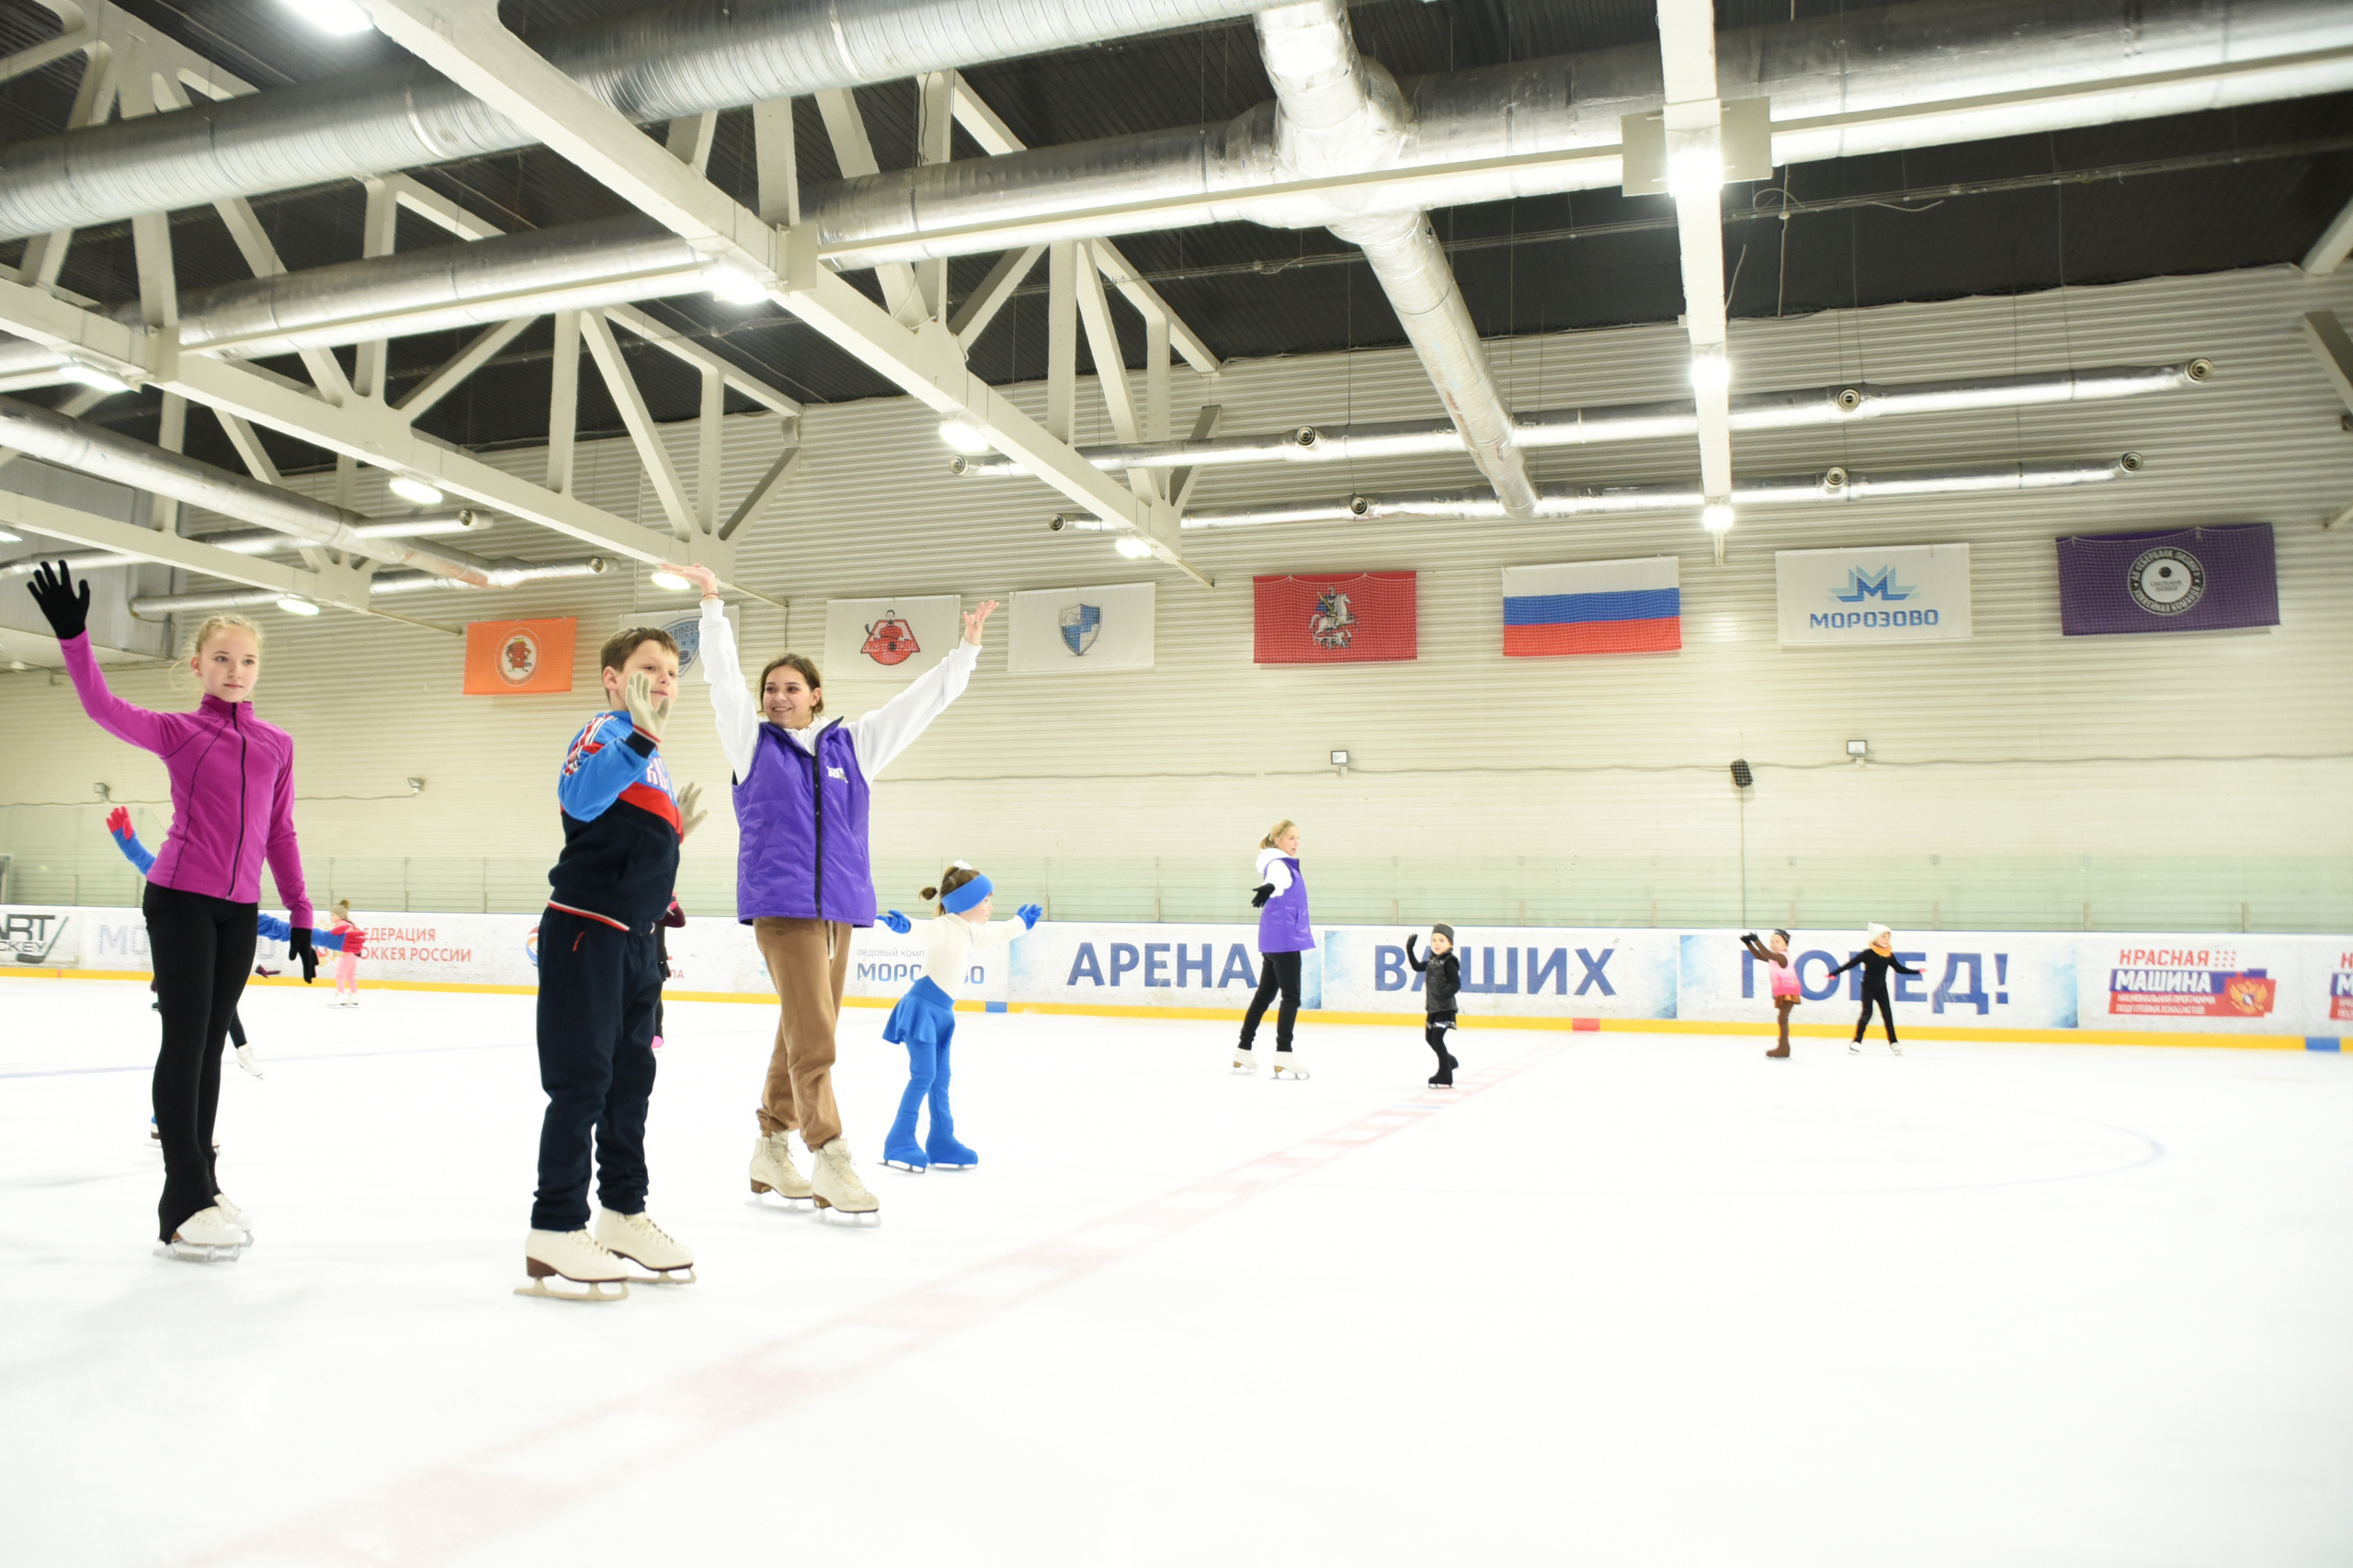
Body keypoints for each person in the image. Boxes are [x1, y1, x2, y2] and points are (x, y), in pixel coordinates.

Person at [667, 559, 998, 1226]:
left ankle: (770, 1144)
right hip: (782, 908)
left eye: (792, 688)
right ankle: (831, 1153)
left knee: (802, 1032)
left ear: (817, 694)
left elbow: (917, 706)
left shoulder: (856, 747)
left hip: (840, 910)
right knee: (816, 1038)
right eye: (772, 689)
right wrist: (712, 605)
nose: (778, 697)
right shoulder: (750, 744)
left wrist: (965, 652)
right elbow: (723, 686)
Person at [28, 562, 317, 1262]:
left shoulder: (276, 745)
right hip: (181, 900)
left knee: (212, 1047)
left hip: (239, 911)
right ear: (198, 666)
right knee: (185, 1044)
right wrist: (75, 639)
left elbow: (280, 831)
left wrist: (301, 913)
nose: (236, 670)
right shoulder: (181, 732)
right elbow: (102, 708)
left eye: (247, 660)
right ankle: (181, 1199)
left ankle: (204, 1190)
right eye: (222, 658)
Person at [517, 626, 699, 1301]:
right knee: (583, 1085)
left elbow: (621, 833)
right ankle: (556, 1225)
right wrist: (640, 738)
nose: (664, 681)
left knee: (630, 1086)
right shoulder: (606, 731)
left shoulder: (652, 751)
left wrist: (667, 854)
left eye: (674, 672)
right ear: (613, 678)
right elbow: (581, 799)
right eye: (649, 669)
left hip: (637, 938)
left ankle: (622, 1212)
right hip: (586, 934)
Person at [106, 808, 357, 1093]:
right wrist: (130, 846)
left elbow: (277, 928)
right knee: (188, 1042)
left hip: (211, 974)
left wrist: (329, 939)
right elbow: (156, 869)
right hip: (187, 971)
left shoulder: (236, 899)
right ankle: (169, 1118)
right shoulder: (185, 881)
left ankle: (189, 1108)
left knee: (205, 1040)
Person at [875, 864, 1040, 1175]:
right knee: (923, 1076)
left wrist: (1021, 923)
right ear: (966, 902)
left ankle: (941, 1140)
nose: (991, 907)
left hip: (941, 1014)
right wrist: (904, 925)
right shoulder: (947, 926)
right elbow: (922, 929)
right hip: (922, 1009)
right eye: (986, 900)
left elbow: (998, 933)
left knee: (941, 1079)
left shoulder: (968, 931)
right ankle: (899, 1140)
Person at [1235, 819, 1314, 1079]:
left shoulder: (1275, 862)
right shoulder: (1279, 865)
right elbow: (1277, 879)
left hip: (1273, 939)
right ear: (1277, 840)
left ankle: (1243, 1049)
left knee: (1265, 995)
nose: (1296, 843)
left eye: (1298, 838)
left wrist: (1271, 885)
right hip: (1285, 939)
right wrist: (1270, 886)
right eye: (1291, 838)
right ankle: (1284, 1052)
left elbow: (1276, 879)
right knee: (1291, 996)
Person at [1827, 925, 1918, 1055]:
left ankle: (1893, 1042)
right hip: (1868, 988)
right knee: (1867, 1013)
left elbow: (1899, 968)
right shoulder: (1867, 954)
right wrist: (1834, 973)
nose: (1886, 939)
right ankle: (1857, 1041)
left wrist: (1916, 972)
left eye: (1888, 936)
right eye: (1883, 936)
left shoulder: (1888, 955)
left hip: (1882, 988)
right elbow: (1850, 964)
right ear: (1875, 938)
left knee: (1888, 1015)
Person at [1404, 924, 1461, 1086]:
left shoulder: (1449, 961)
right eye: (1434, 940)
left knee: (1437, 1039)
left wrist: (1445, 995)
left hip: (1445, 1007)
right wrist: (1409, 949)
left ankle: (1445, 1075)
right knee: (1429, 1038)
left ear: (1450, 944)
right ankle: (1449, 1061)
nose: (1437, 943)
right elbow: (1416, 967)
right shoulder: (1432, 960)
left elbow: (1455, 984)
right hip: (1433, 1007)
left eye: (1442, 940)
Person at [1740, 929, 1801, 1058]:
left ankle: (1784, 1048)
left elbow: (1766, 953)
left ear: (1786, 945)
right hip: (1783, 992)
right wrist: (1748, 944)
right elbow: (1759, 955)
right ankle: (1784, 1047)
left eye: (1777, 941)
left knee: (1782, 1019)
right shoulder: (1774, 958)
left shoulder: (1782, 957)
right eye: (1772, 941)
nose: (1773, 944)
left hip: (1789, 992)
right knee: (1782, 1019)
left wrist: (1756, 940)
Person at [326, 899, 365, 1007]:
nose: (331, 917)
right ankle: (354, 995)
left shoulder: (342, 925)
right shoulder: (350, 924)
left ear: (339, 915)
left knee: (339, 975)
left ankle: (340, 995)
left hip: (347, 953)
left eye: (333, 915)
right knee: (350, 975)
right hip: (353, 954)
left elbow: (342, 937)